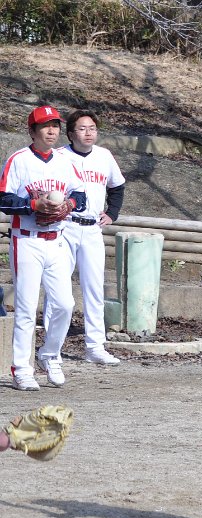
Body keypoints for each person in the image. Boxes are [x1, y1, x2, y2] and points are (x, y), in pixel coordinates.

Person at [1, 105, 87, 391]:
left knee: (65, 304)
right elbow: (3, 200)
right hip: (26, 240)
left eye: (55, 126)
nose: (51, 131)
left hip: (57, 240)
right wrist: (34, 204)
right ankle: (21, 369)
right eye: (45, 126)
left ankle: (49, 355)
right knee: (26, 307)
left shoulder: (64, 161)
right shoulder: (19, 160)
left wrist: (68, 204)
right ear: (32, 131)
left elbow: (80, 196)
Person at [54, 109, 126, 365]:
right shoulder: (59, 156)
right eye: (82, 128)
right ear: (71, 133)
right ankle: (53, 348)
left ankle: (95, 347)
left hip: (93, 228)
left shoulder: (104, 156)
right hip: (65, 226)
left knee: (94, 288)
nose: (88, 133)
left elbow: (117, 186)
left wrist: (112, 213)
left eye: (92, 128)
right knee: (58, 288)